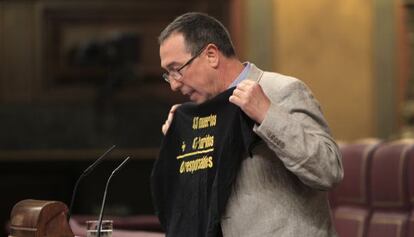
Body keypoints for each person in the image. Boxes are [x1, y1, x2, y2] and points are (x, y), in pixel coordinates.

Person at [157, 12, 343, 237]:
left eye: (177, 69)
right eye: (168, 75)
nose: (174, 85)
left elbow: (328, 171)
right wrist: (180, 146)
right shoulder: (201, 116)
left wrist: (267, 115)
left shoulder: (283, 90)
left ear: (212, 55)